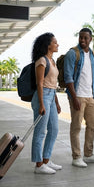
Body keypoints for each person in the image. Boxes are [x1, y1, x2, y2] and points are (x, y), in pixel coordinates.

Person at [64, 28, 94, 167]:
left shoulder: (91, 54)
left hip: (90, 96)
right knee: (76, 127)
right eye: (80, 37)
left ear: (90, 39)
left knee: (91, 125)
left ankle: (88, 154)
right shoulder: (72, 53)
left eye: (85, 38)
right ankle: (76, 157)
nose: (82, 40)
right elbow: (68, 78)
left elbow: (92, 73)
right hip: (77, 95)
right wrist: (74, 98)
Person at [31, 32, 62, 174]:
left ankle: (46, 160)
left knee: (54, 129)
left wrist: (56, 102)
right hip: (42, 97)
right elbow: (40, 83)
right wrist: (42, 104)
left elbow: (53, 84)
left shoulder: (52, 61)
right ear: (48, 45)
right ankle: (38, 165)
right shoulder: (42, 61)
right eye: (55, 42)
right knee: (40, 132)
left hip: (51, 96)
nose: (57, 44)